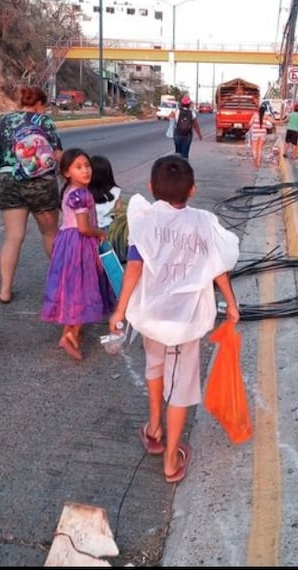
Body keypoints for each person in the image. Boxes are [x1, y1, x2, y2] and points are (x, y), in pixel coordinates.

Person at [107, 154, 240, 484]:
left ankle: (154, 428)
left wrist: (120, 311)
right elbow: (218, 266)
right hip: (184, 321)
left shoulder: (145, 221)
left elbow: (134, 268)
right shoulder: (203, 222)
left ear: (152, 187)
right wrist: (232, 303)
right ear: (192, 190)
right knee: (180, 386)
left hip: (151, 315)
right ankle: (170, 458)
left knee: (154, 365)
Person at [0, 85, 63, 304]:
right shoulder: (44, 122)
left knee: (13, 237)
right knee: (50, 234)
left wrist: (4, 178)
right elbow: (57, 155)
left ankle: (5, 290)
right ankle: (63, 284)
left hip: (8, 180)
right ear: (40, 104)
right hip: (40, 183)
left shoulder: (2, 121)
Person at [41, 148, 117, 361]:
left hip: (66, 242)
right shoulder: (81, 195)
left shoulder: (69, 190)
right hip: (79, 244)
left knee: (72, 287)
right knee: (82, 288)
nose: (86, 171)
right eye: (78, 167)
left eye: (87, 166)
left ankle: (71, 332)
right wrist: (100, 232)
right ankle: (70, 334)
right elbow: (84, 227)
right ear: (66, 172)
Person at [90, 154, 128, 261]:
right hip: (112, 230)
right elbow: (118, 214)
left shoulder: (87, 194)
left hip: (95, 231)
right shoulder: (116, 191)